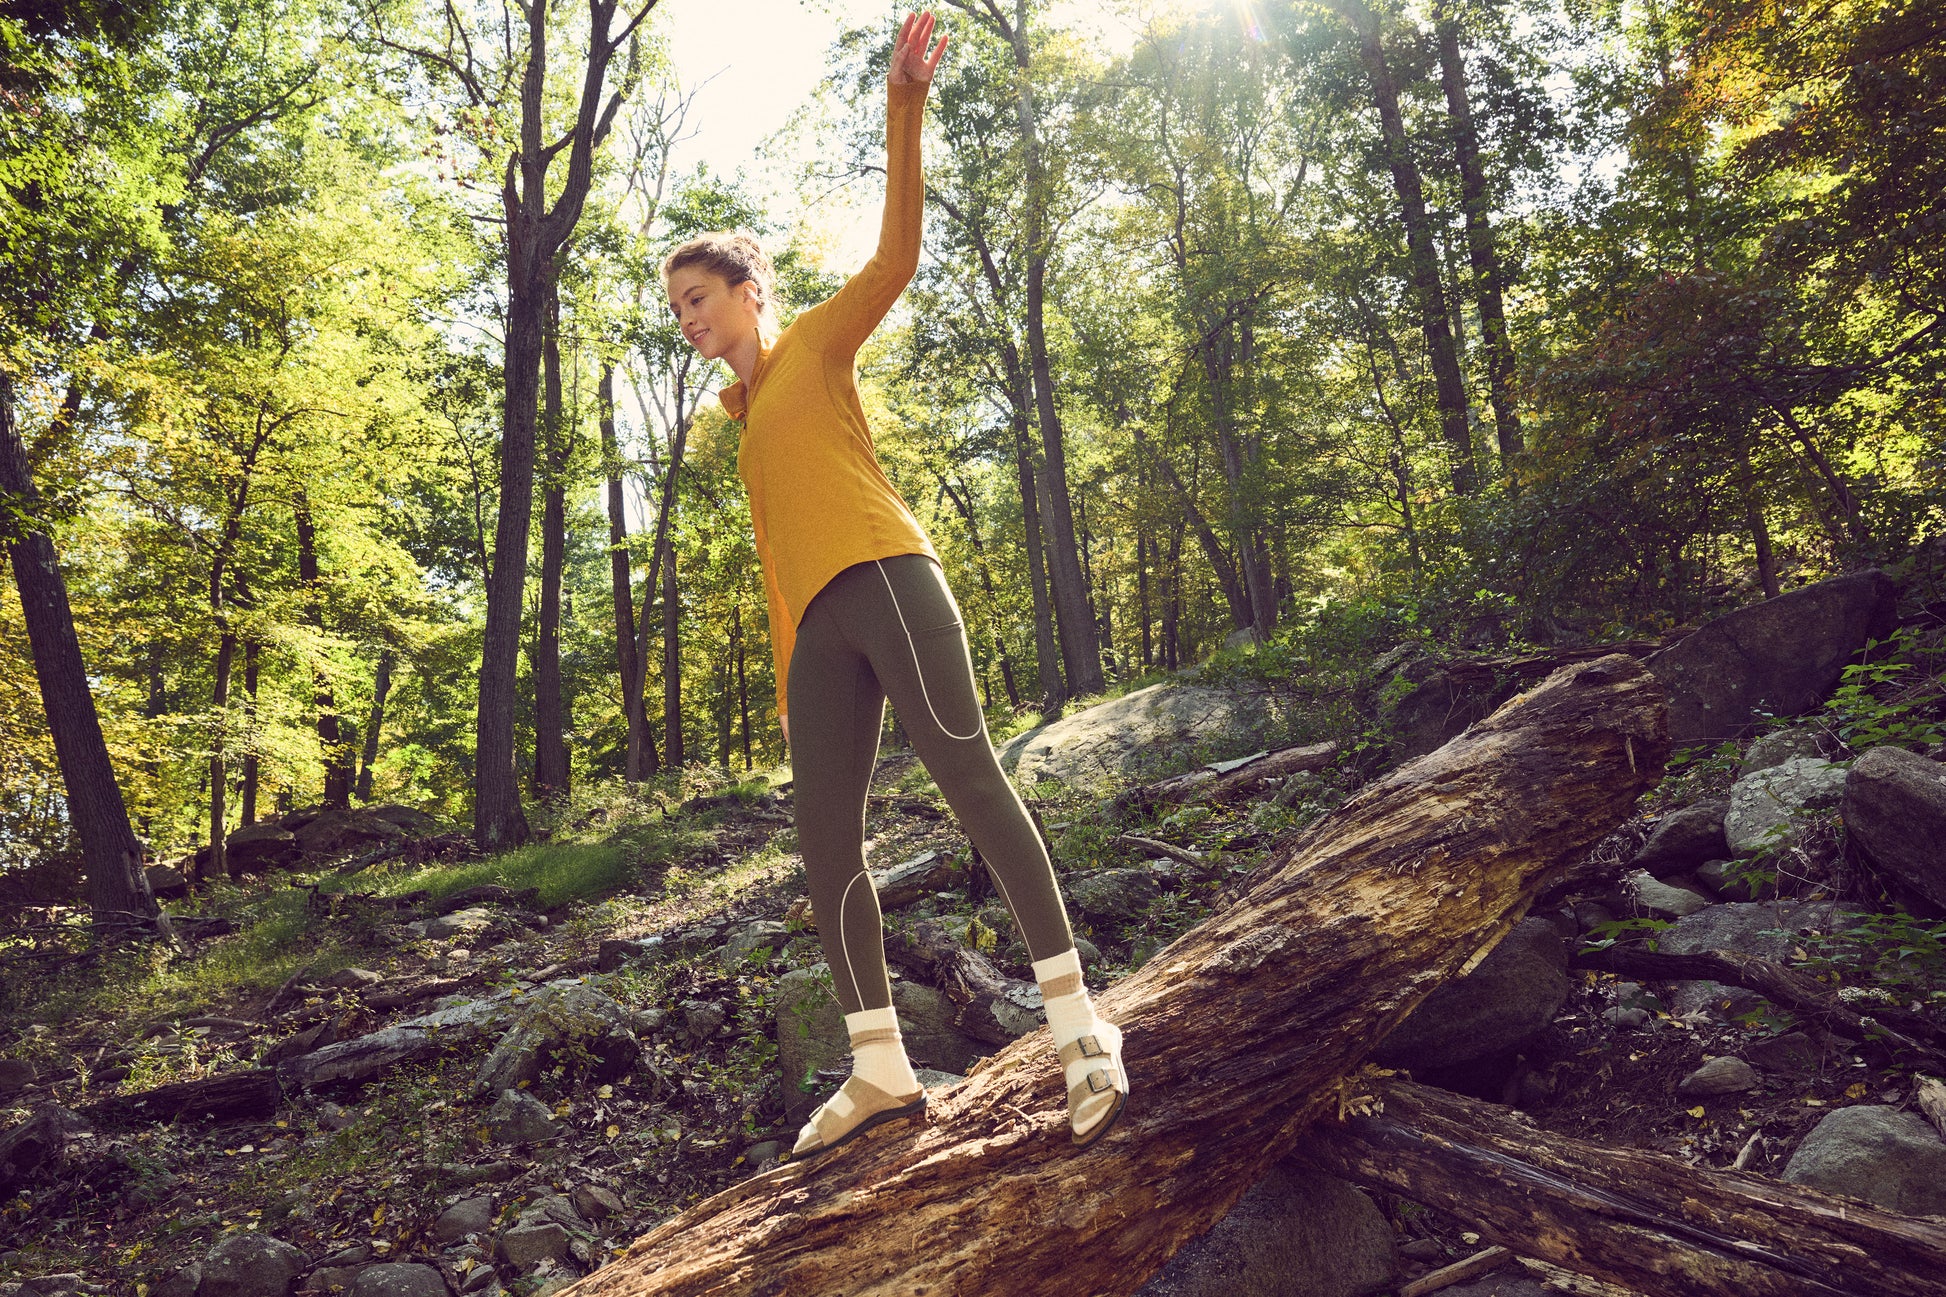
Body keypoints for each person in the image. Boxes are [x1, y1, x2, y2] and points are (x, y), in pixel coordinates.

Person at [662, 10, 1127, 1158]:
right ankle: (879, 1064)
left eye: (700, 296)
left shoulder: (816, 343)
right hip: (812, 634)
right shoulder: (738, 420)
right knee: (826, 845)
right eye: (675, 308)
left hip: (886, 576)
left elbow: (898, 256)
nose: (688, 319)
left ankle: (1081, 1027)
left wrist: (903, 104)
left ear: (750, 288)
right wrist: (782, 672)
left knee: (969, 778)